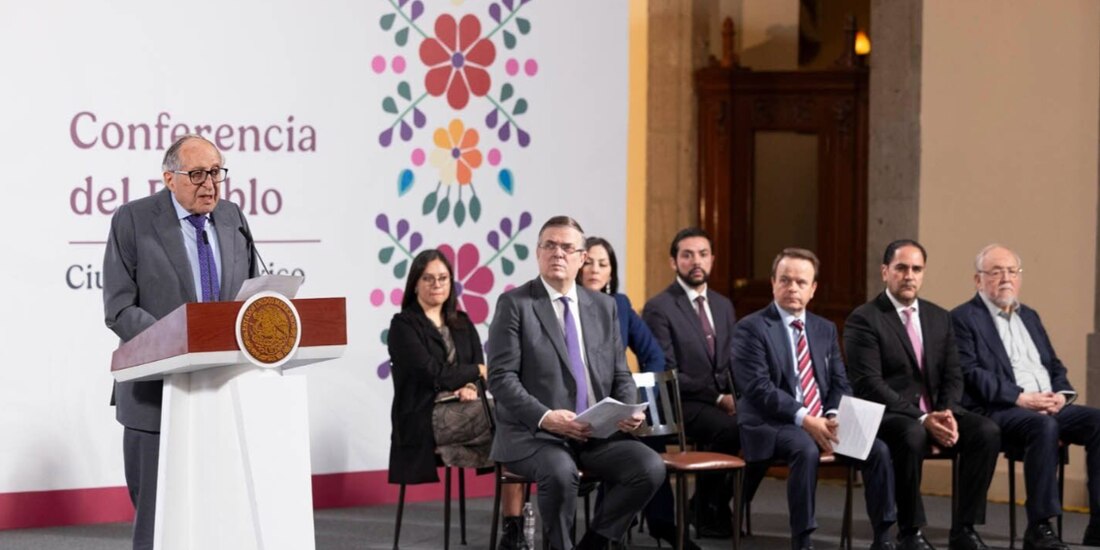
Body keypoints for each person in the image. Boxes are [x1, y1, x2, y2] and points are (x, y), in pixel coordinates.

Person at [103, 135, 258, 550]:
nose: (210, 184)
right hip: (155, 393)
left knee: (217, 515)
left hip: (220, 392)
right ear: (169, 178)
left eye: (216, 173)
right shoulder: (133, 220)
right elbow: (118, 308)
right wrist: (175, 341)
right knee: (158, 521)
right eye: (197, 175)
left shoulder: (232, 218)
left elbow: (247, 298)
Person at [487, 216, 665, 550]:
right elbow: (501, 378)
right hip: (533, 434)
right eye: (549, 245)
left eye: (567, 247)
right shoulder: (515, 304)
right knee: (559, 470)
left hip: (593, 433)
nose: (558, 253)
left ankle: (594, 544)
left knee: (649, 467)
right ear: (538, 253)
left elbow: (620, 373)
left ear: (581, 258)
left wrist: (627, 410)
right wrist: (546, 417)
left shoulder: (603, 306)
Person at [733, 248, 897, 550]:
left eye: (800, 282)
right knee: (804, 448)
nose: (792, 288)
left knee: (878, 450)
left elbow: (839, 381)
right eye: (785, 280)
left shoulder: (824, 328)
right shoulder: (751, 328)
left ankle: (883, 537)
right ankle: (803, 539)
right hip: (772, 421)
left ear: (813, 289)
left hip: (822, 420)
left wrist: (833, 414)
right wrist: (805, 419)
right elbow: (758, 388)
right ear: (773, 283)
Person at [844, 239, 1000, 550]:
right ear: (885, 272)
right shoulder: (864, 318)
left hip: (934, 413)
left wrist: (947, 413)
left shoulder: (939, 317)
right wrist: (923, 416)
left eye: (916, 269)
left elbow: (954, 375)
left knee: (986, 431)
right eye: (901, 268)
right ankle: (910, 531)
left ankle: (964, 529)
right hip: (887, 415)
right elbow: (869, 383)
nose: (909, 275)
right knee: (912, 433)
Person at [952, 244, 1100, 550]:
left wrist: (1061, 395)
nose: (1005, 278)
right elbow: (971, 372)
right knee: (1043, 427)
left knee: (1098, 422)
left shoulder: (1029, 316)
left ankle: (1098, 524)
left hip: (1046, 403)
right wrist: (1021, 398)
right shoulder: (963, 318)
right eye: (996, 272)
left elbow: (1054, 365)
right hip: (1001, 408)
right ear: (978, 280)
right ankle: (1039, 527)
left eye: (1012, 271)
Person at [387, 249, 527, 549]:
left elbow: (479, 370)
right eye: (428, 278)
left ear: (451, 282)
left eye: (442, 278)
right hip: (426, 417)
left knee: (511, 437)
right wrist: (474, 373)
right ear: (415, 284)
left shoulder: (462, 321)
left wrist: (472, 387)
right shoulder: (403, 326)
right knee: (509, 418)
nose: (436, 284)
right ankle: (517, 527)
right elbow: (432, 373)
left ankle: (513, 529)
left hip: (468, 410)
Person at [577, 237, 695, 549]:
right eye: (589, 262)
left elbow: (655, 357)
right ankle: (659, 526)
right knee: (635, 447)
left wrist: (638, 394)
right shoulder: (567, 307)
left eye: (604, 264)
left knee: (646, 436)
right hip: (583, 408)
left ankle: (655, 524)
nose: (595, 269)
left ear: (612, 273)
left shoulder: (620, 305)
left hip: (619, 404)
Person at [642, 227, 739, 538]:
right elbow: (667, 372)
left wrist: (741, 396)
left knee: (765, 429)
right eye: (687, 255)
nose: (696, 261)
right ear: (674, 262)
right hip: (681, 403)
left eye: (702, 254)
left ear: (712, 259)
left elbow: (732, 362)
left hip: (720, 400)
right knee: (732, 429)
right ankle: (710, 508)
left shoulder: (723, 305)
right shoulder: (660, 307)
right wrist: (718, 398)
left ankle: (707, 504)